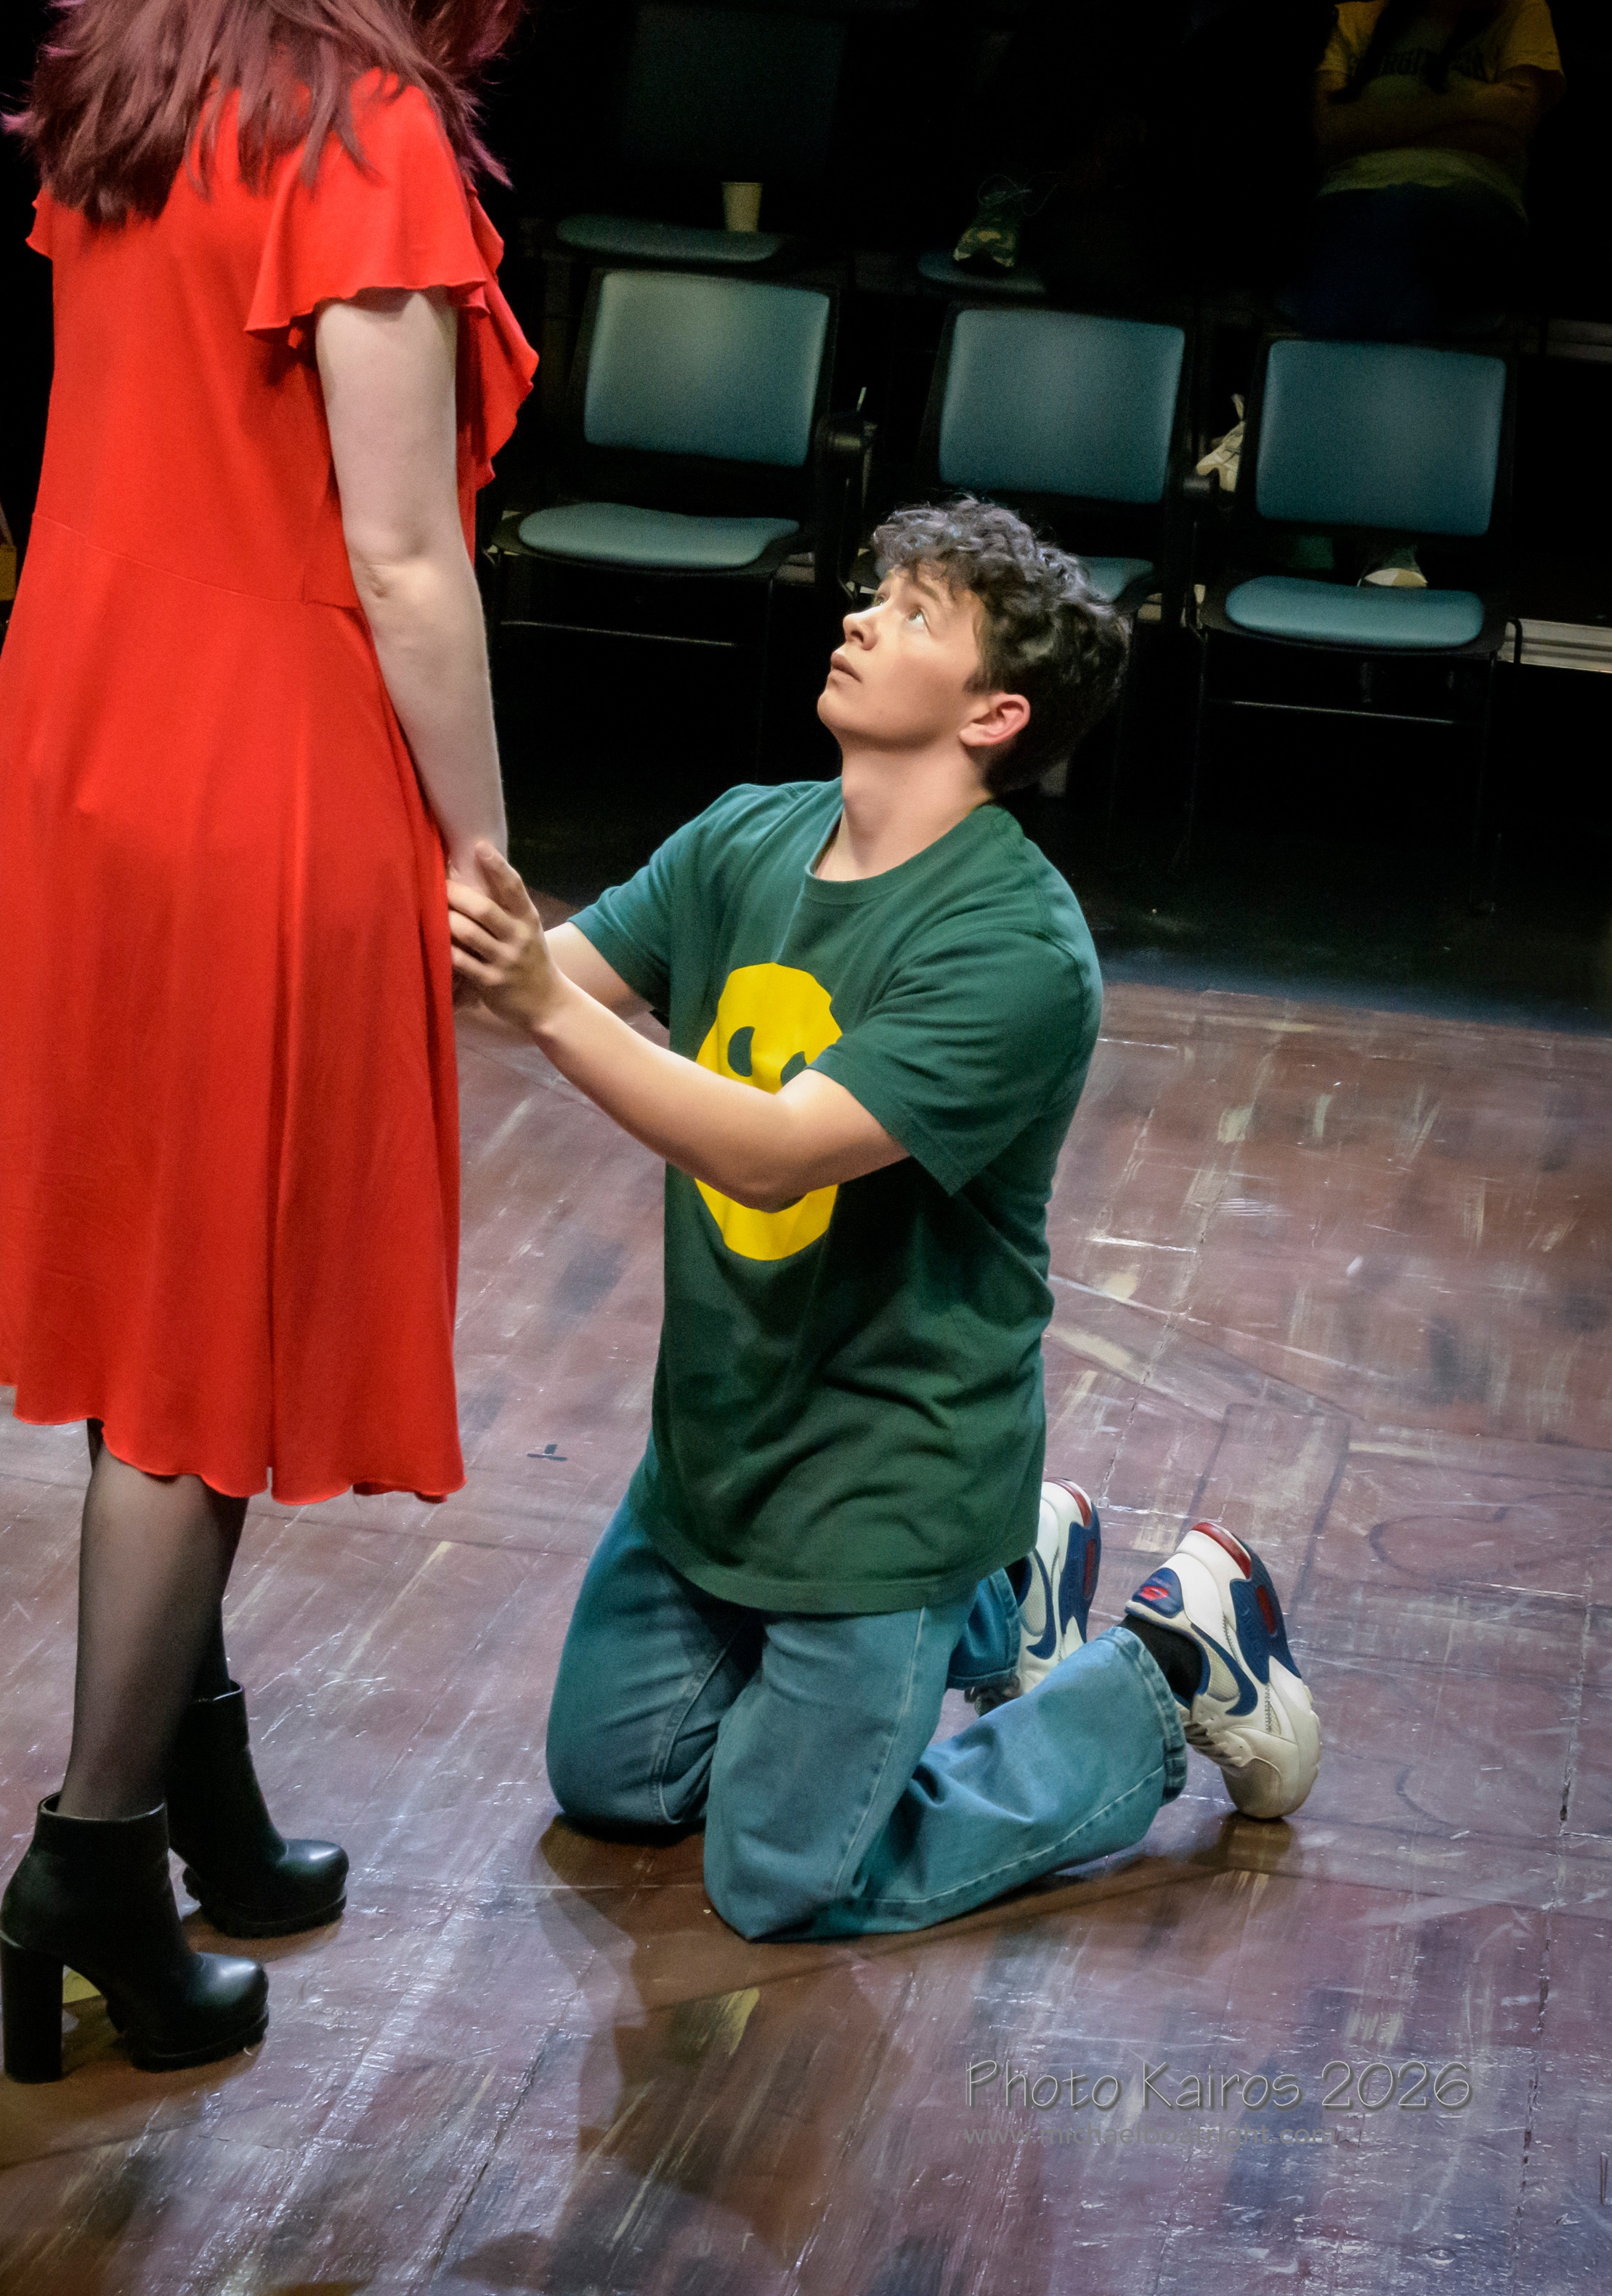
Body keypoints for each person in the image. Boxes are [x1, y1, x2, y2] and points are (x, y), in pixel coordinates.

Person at [0, 0, 536, 2077]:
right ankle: (89, 1854)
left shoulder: (137, 94)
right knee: (202, 1339)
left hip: (84, 747)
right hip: (252, 770)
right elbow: (398, 555)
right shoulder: (358, 128)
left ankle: (186, 1758)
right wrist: (485, 855)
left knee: (171, 1284)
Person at [448, 502, 1323, 1941]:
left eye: (914, 613)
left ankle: (1167, 1669)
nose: (857, 617)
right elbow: (523, 984)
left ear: (994, 713)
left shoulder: (1013, 947)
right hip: (719, 1449)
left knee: (781, 1878)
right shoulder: (744, 834)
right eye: (875, 594)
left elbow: (776, 1152)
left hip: (887, 1471)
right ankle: (1005, 1590)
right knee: (613, 1779)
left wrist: (540, 1004)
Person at [1300, 0, 1563, 348]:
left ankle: (1336, 379)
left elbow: (1517, 124)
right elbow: (1327, 134)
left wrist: (1374, 127)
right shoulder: (1356, 19)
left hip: (1475, 206)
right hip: (1348, 201)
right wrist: (1475, 104)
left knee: (1391, 219)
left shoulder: (1521, 10)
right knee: (1382, 245)